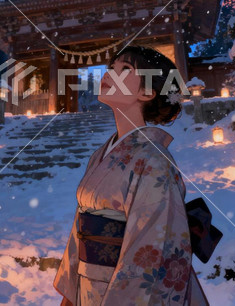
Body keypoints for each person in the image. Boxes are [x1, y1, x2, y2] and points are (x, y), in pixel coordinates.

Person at [53, 45, 209, 305]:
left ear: (148, 91)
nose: (108, 75)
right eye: (110, 69)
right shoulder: (101, 154)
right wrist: (71, 291)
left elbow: (154, 244)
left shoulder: (154, 161)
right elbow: (79, 231)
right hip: (87, 284)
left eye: (125, 70)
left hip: (120, 289)